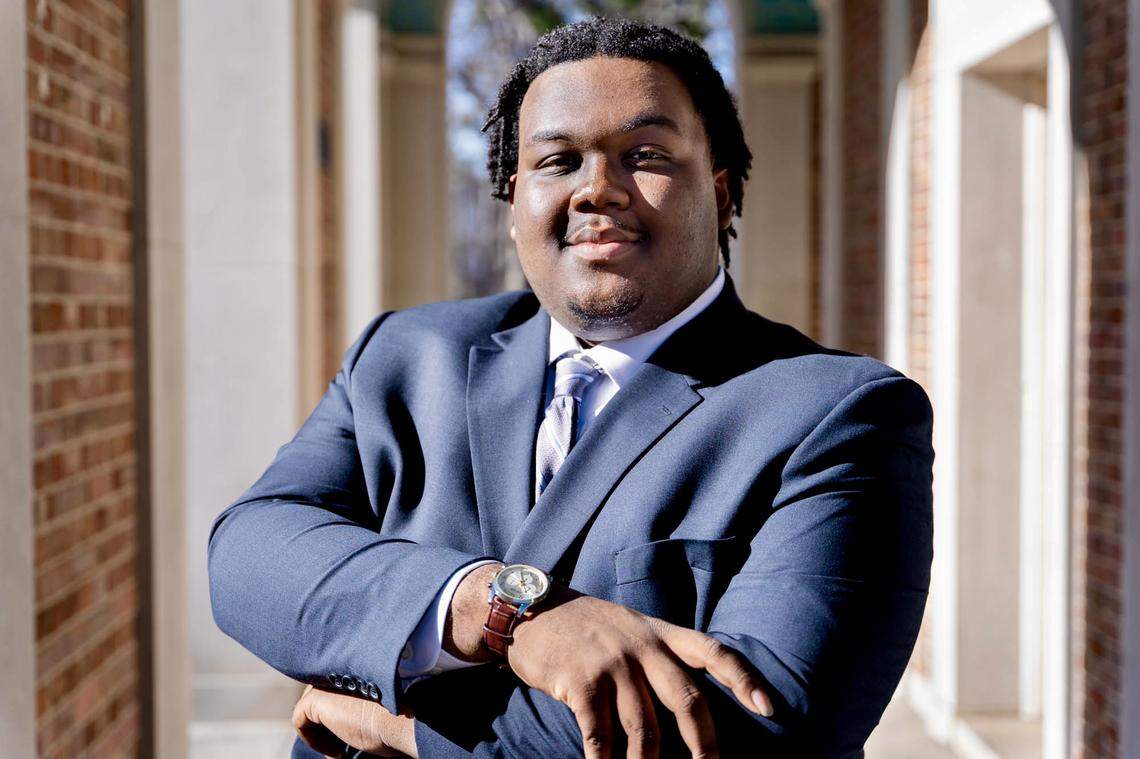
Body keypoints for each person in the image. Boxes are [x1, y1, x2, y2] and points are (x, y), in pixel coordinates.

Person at [207, 17, 934, 759]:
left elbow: (762, 727)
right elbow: (249, 559)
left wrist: (400, 727)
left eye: (645, 155)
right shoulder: (404, 357)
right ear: (514, 201)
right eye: (558, 161)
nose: (597, 190)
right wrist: (502, 609)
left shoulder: (841, 414)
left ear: (719, 195)